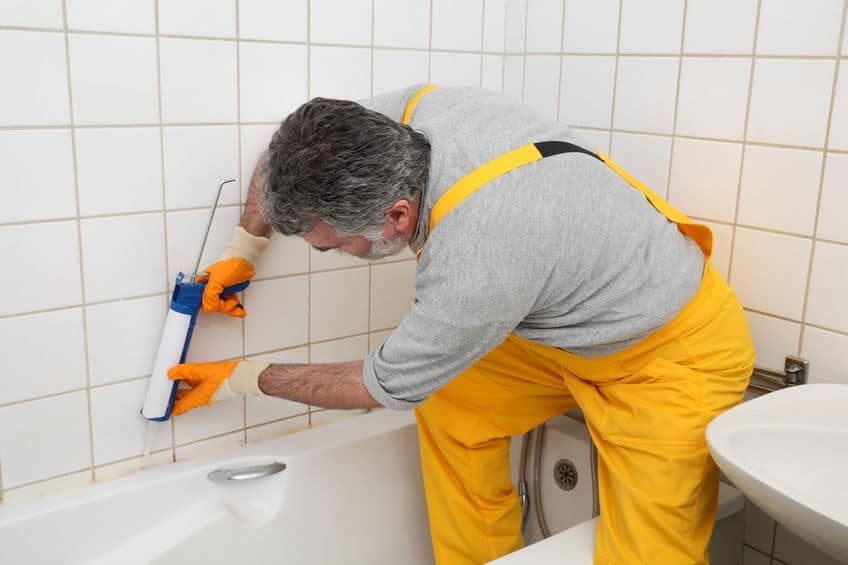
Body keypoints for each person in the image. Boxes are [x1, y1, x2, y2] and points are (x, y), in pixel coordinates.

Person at [167, 84, 755, 564]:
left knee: (651, 557)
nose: (327, 252)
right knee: (455, 410)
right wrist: (245, 248)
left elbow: (380, 385)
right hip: (554, 328)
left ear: (395, 217)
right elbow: (279, 159)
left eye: (331, 246)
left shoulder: (476, 259)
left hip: (667, 354)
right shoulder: (400, 121)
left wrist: (241, 377)